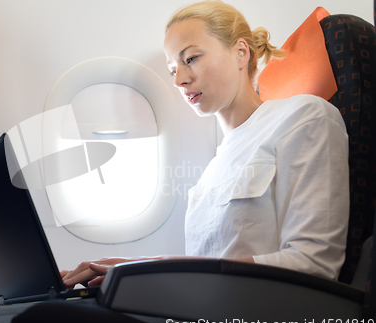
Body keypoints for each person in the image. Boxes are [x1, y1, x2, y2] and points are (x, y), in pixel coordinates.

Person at [60, 0, 349, 290]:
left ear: (240, 52)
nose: (180, 80)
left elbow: (314, 264)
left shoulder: (302, 116)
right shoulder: (211, 171)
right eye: (173, 70)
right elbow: (199, 283)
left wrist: (145, 271)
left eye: (191, 59)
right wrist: (131, 273)